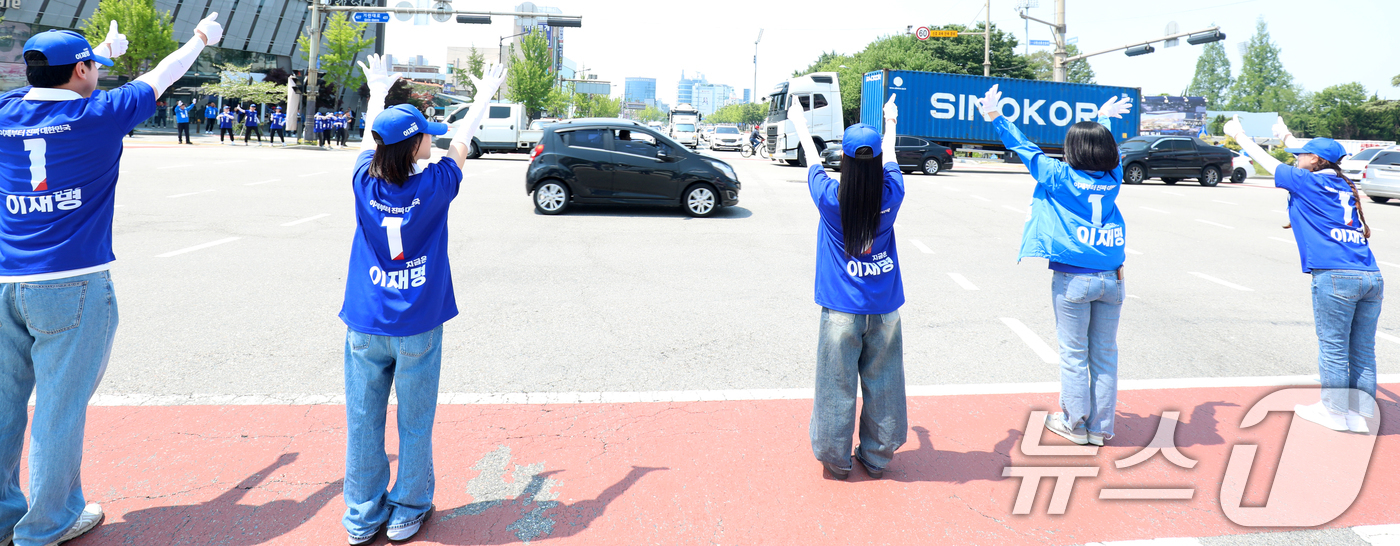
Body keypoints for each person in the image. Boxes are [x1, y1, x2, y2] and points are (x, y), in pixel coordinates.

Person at [0, 15, 222, 546]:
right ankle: (48, 523)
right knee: (59, 407)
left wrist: (95, 52)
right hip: (71, 283)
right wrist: (199, 39)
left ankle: (6, 517)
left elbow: (45, 86)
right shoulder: (99, 114)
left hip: (6, 279)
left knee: (6, 403)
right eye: (91, 67)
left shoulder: (6, 112)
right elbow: (161, 77)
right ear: (80, 70)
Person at [337, 54, 507, 544]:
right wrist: (481, 99)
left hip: (366, 323)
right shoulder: (436, 184)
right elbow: (462, 142)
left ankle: (362, 516)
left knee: (363, 422)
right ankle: (408, 508)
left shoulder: (362, 181)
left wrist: (377, 92)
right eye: (425, 135)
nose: (432, 139)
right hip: (417, 325)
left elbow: (373, 135)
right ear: (416, 146)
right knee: (414, 423)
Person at [976, 84, 1133, 447]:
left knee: (1075, 354)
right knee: (1106, 355)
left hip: (1074, 280)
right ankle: (1101, 428)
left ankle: (1075, 425)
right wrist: (1103, 118)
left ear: (1072, 151)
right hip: (1113, 278)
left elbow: (1025, 150)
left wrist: (996, 116)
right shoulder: (1114, 178)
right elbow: (1103, 148)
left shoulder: (1060, 177)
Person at [1226, 116, 1381, 434]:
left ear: (1315, 160)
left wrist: (1239, 135)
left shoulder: (1306, 180)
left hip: (1336, 276)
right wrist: (1285, 136)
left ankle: (1335, 412)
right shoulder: (1342, 182)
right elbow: (1301, 151)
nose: (1296, 158)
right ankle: (1360, 415)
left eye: (1302, 154)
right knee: (1363, 349)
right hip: (1371, 274)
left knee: (1334, 346)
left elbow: (1267, 162)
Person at [789, 94, 906, 481]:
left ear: (847, 162)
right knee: (884, 383)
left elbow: (811, 159)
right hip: (885, 307)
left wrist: (801, 124)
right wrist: (891, 122)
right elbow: (890, 156)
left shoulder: (830, 199)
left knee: (835, 385)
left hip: (841, 308)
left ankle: (836, 458)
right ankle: (877, 456)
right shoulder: (892, 194)